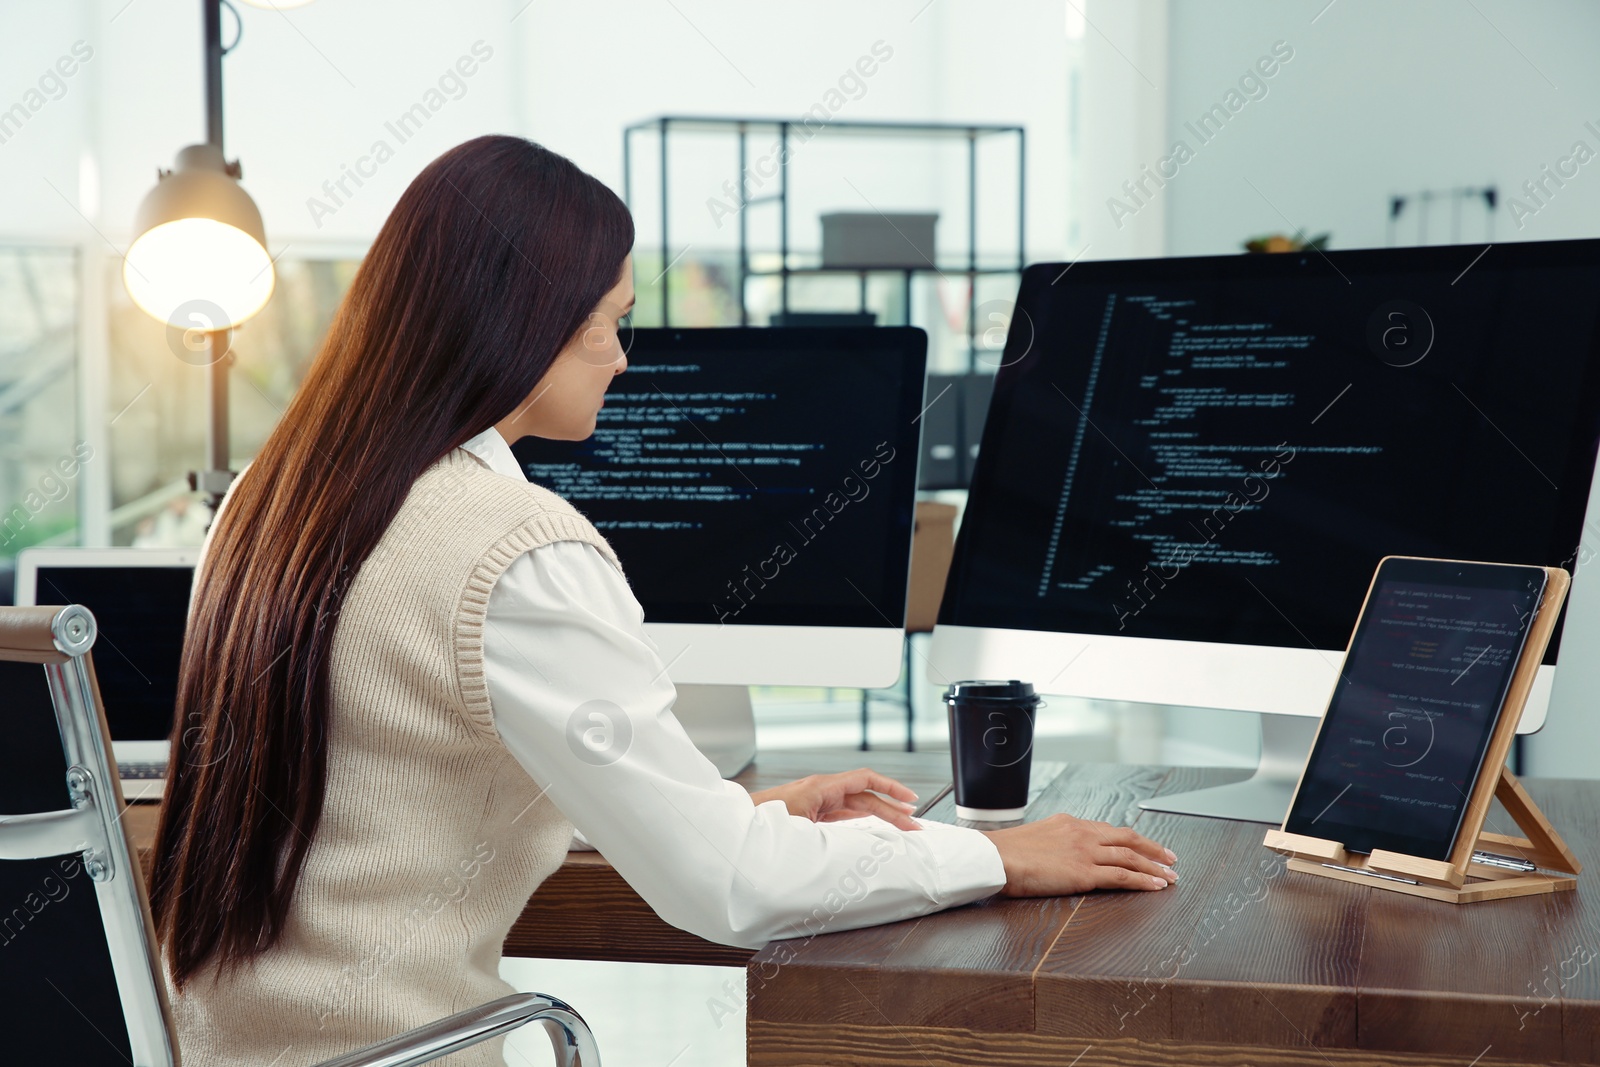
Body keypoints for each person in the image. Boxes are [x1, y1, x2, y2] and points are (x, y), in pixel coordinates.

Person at [147, 135, 1177, 1067]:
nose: (624, 356)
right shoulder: (513, 546)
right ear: (520, 324)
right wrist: (992, 853)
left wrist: (728, 806)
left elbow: (388, 798)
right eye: (608, 323)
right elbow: (728, 890)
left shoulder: (267, 497)